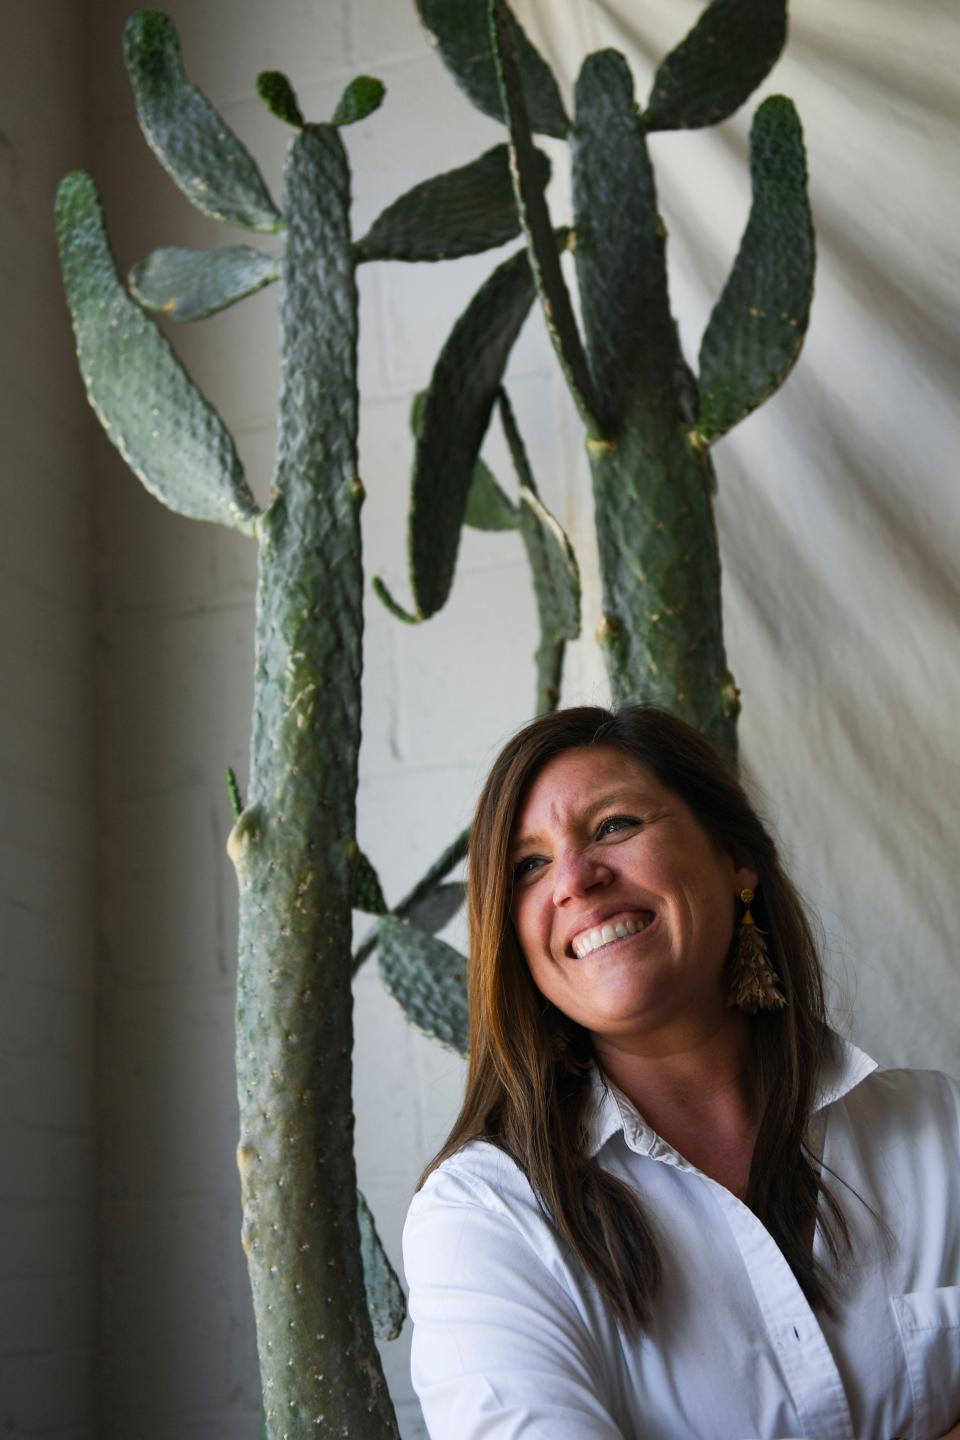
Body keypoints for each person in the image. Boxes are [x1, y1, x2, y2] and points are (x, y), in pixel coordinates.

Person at [403, 705, 960, 1440]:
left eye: (614, 826)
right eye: (528, 867)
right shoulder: (484, 1219)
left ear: (736, 859)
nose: (574, 878)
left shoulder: (938, 1128)